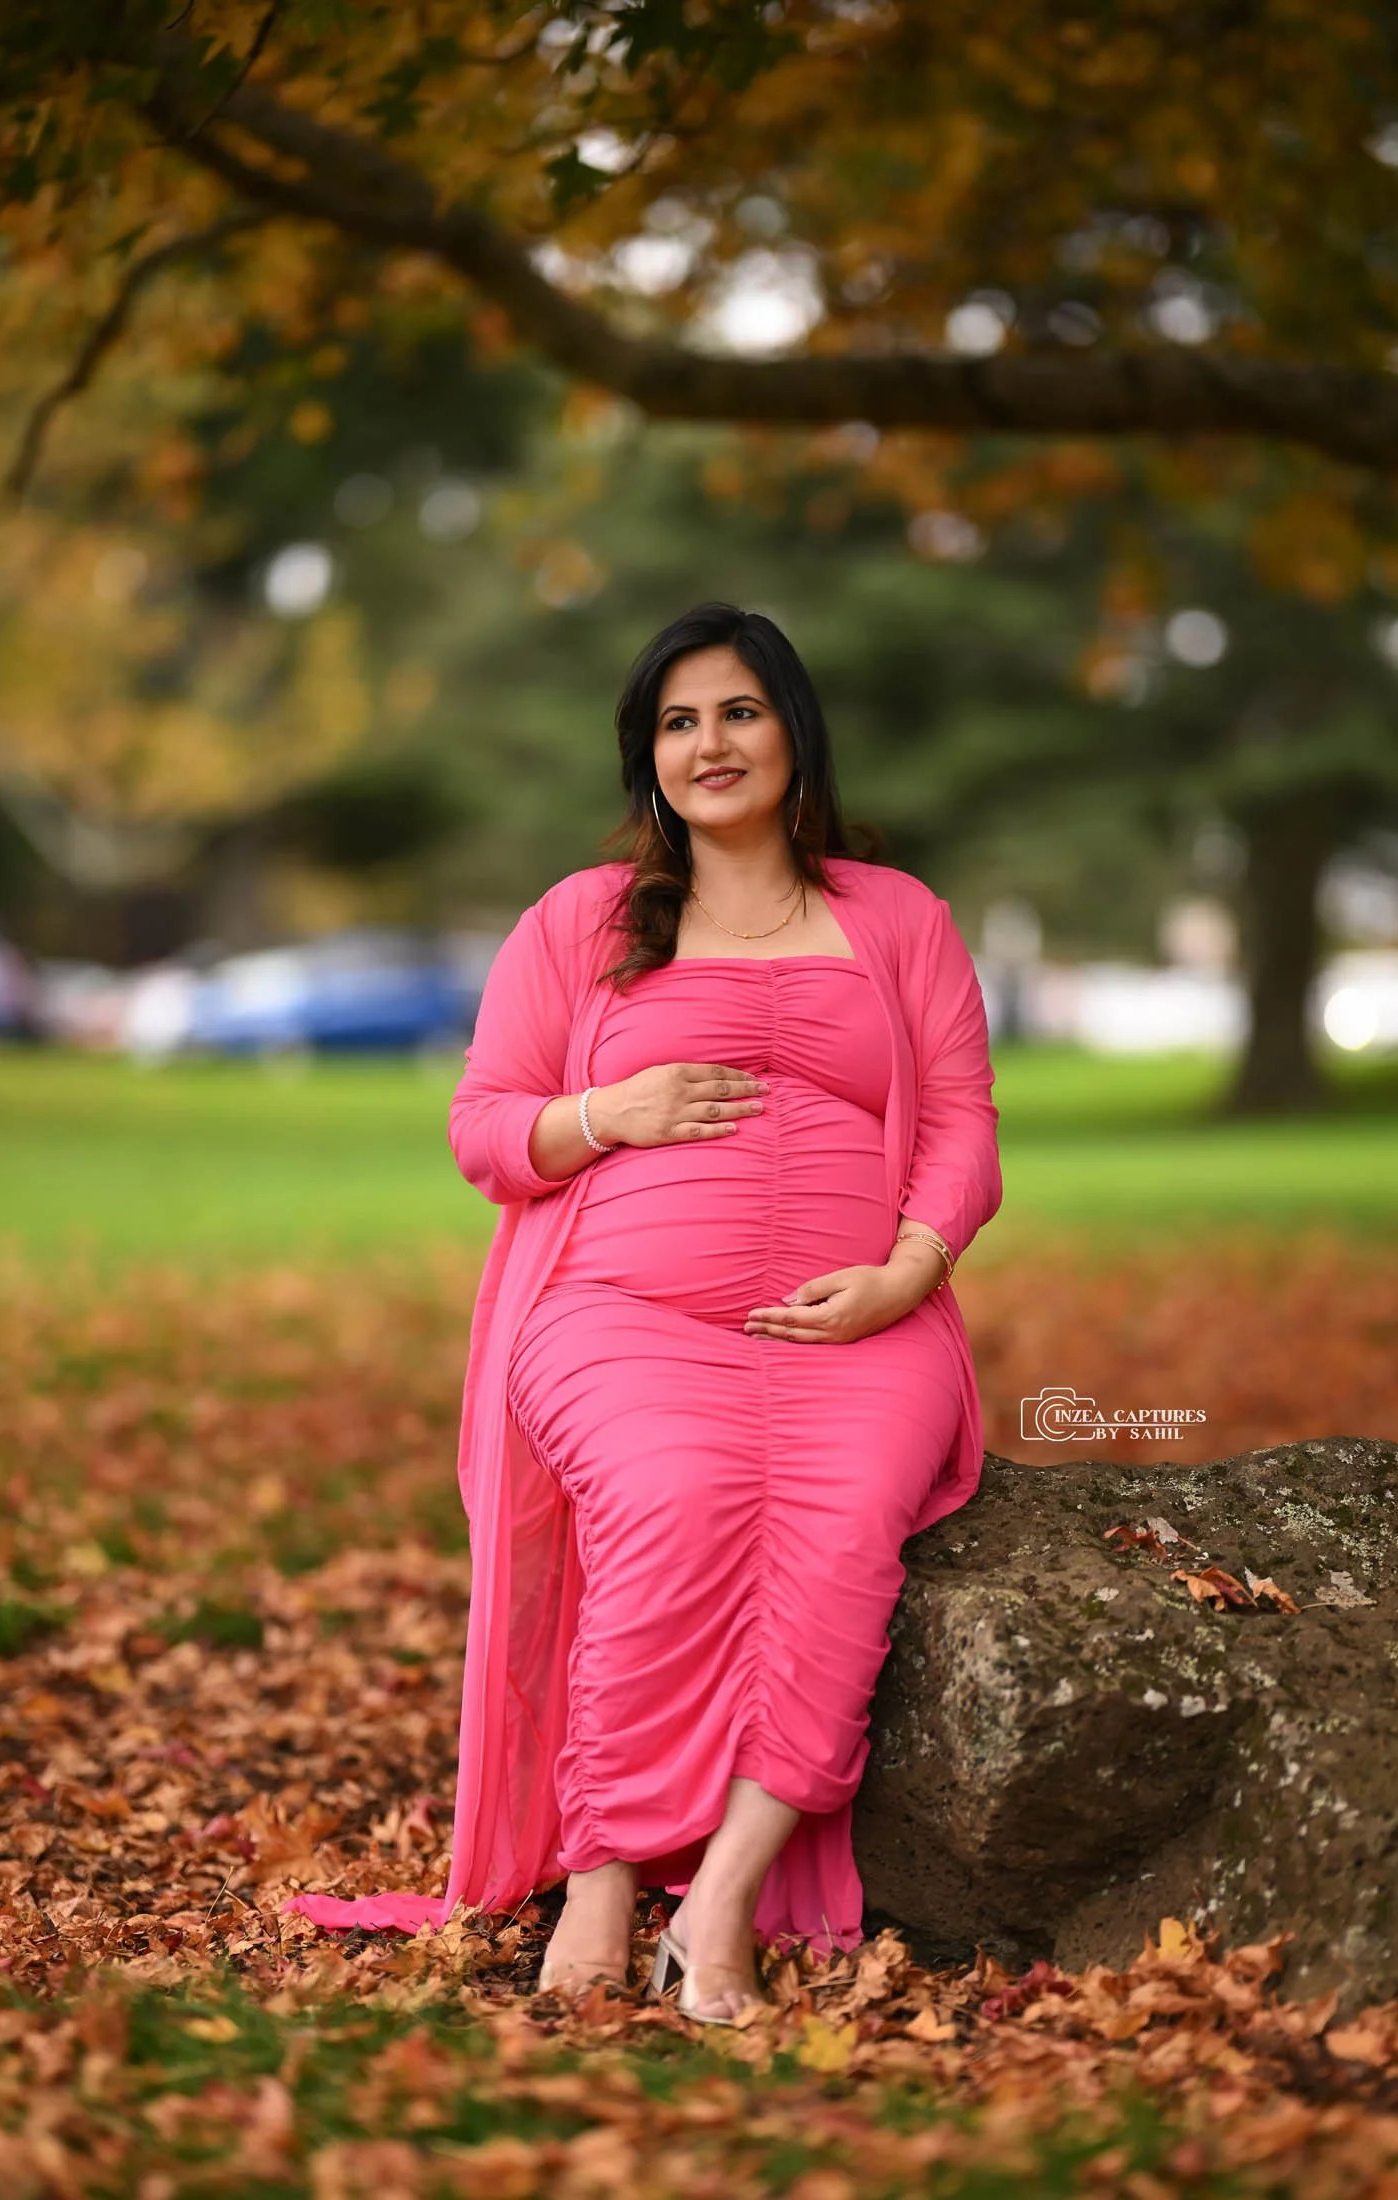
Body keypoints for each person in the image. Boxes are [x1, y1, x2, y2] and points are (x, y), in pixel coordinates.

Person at [283, 601, 1003, 2024]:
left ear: (794, 735)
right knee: (669, 1499)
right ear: (646, 758)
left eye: (737, 711)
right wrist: (604, 1111)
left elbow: (965, 1127)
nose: (709, 742)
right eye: (677, 721)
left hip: (855, 1318)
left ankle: (722, 1901)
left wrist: (907, 1273)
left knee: (848, 1515)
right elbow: (486, 1128)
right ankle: (605, 1871)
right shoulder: (583, 921)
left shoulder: (896, 917)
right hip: (621, 1311)